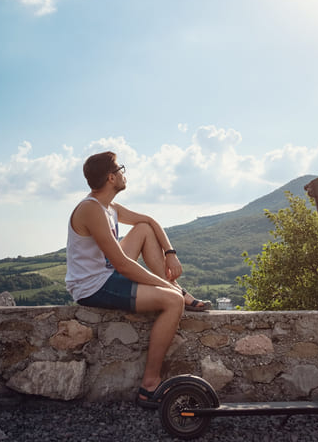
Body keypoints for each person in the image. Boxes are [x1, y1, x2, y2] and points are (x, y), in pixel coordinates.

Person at [65, 151, 210, 408]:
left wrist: (170, 254)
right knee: (173, 303)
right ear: (111, 177)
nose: (123, 173)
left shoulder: (109, 207)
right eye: (120, 169)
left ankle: (179, 291)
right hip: (93, 285)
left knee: (142, 229)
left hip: (107, 273)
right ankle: (149, 387)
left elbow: (149, 221)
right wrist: (167, 288)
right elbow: (122, 264)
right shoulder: (90, 209)